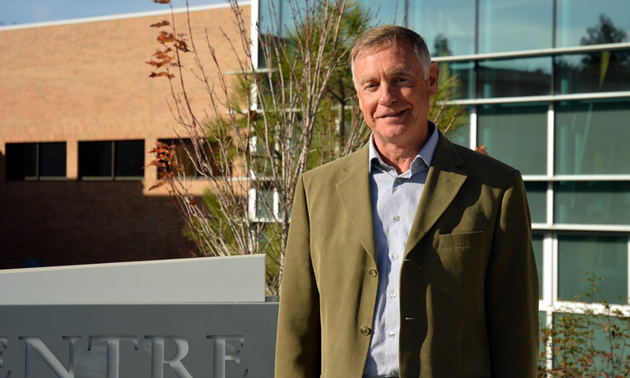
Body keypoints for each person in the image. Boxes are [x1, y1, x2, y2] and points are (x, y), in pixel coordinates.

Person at [275, 25, 539, 378]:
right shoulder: (316, 190)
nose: (387, 97)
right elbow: (297, 326)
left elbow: (516, 330)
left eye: (400, 79)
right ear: (359, 96)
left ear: (431, 80)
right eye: (371, 85)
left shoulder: (496, 187)